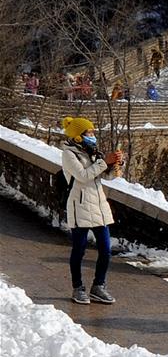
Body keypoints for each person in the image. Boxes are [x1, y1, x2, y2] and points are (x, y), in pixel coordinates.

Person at [60, 116, 122, 305]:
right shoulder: (69, 154)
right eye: (89, 132)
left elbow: (105, 176)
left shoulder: (93, 152)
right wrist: (104, 162)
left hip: (98, 205)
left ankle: (99, 286)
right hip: (80, 205)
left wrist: (115, 164)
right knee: (79, 250)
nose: (92, 135)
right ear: (78, 136)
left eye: (93, 132)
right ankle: (78, 287)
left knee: (105, 249)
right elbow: (82, 175)